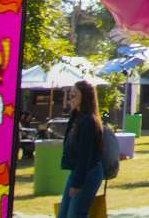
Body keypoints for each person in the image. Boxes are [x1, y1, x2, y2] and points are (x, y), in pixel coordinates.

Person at [58, 80, 104, 218]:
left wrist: (77, 183)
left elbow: (85, 155)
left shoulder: (88, 121)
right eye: (69, 95)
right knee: (63, 214)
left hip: (88, 172)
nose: (70, 99)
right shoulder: (76, 118)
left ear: (84, 97)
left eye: (74, 95)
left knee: (75, 214)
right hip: (77, 171)